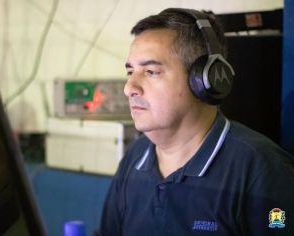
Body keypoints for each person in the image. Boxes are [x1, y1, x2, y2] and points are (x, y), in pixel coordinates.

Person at [98, 8, 294, 236]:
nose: (129, 88)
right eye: (130, 72)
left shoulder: (262, 169)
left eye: (150, 72)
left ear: (204, 80)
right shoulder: (135, 159)